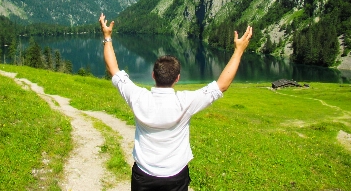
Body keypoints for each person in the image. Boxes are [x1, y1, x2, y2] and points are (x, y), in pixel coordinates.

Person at [99, 13, 252, 191]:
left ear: (153, 75)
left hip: (143, 176)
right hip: (175, 177)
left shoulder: (138, 97)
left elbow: (113, 69)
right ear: (177, 78)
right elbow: (221, 85)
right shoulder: (185, 102)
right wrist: (239, 50)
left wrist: (107, 37)